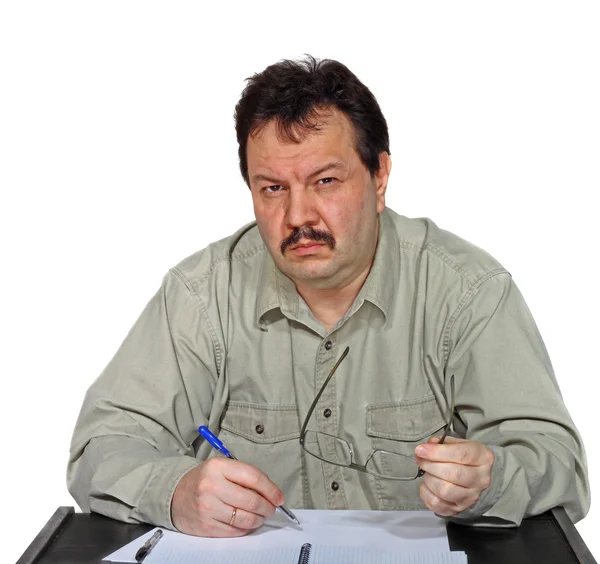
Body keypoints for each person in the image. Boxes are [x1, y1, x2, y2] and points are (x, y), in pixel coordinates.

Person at [67, 55, 590, 538]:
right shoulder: (201, 296)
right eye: (272, 188)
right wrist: (175, 491)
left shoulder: (467, 291)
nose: (298, 217)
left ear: (380, 176)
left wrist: (491, 480)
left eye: (325, 181)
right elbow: (102, 447)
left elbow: (559, 463)